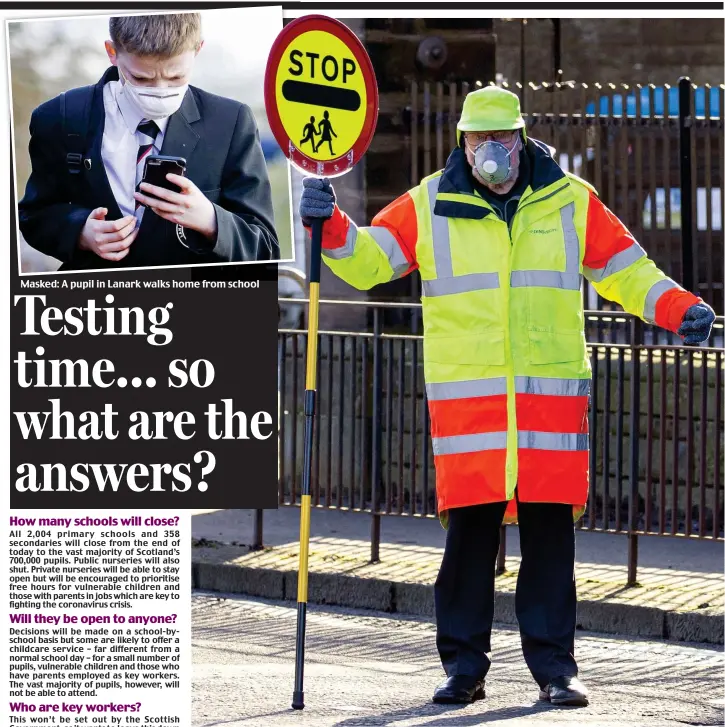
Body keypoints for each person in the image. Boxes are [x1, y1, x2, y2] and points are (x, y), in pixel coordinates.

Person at [299, 87, 715, 708]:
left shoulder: (569, 202)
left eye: (502, 139)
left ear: (522, 140)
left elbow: (629, 271)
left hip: (547, 412)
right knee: (468, 545)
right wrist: (328, 221)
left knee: (550, 545)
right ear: (461, 143)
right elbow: (366, 262)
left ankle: (556, 671)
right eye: (477, 140)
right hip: (473, 414)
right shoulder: (428, 204)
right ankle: (463, 670)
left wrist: (680, 307)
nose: (490, 152)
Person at [18, 13, 279, 270]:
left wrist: (211, 220)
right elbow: (33, 216)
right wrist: (81, 232)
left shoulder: (231, 122)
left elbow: (266, 247)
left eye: (177, 77)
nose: (161, 92)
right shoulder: (58, 117)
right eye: (141, 78)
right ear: (112, 52)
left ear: (198, 49)